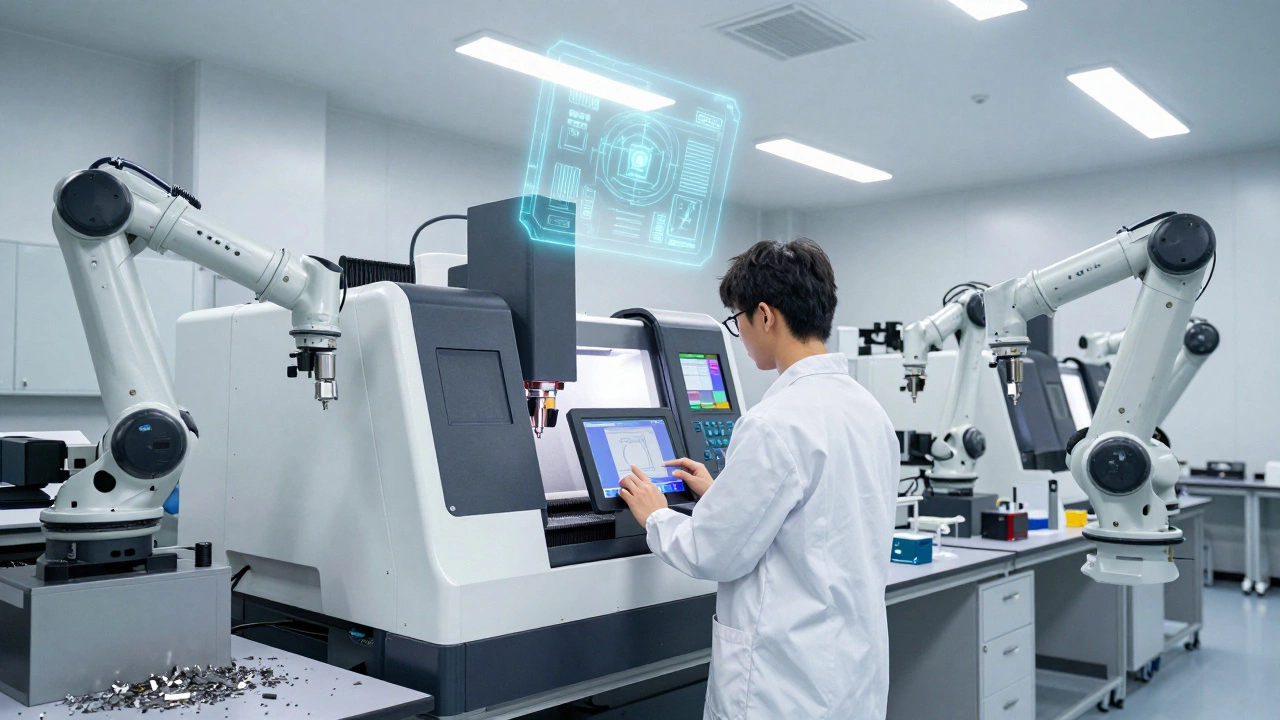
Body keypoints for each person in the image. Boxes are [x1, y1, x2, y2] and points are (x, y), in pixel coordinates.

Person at [618, 238, 899, 720]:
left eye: (738, 319)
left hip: (785, 684)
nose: (741, 334)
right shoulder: (867, 410)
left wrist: (656, 515)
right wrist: (722, 494)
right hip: (849, 671)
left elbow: (712, 553)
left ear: (765, 316)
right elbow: (818, 513)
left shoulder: (775, 421)